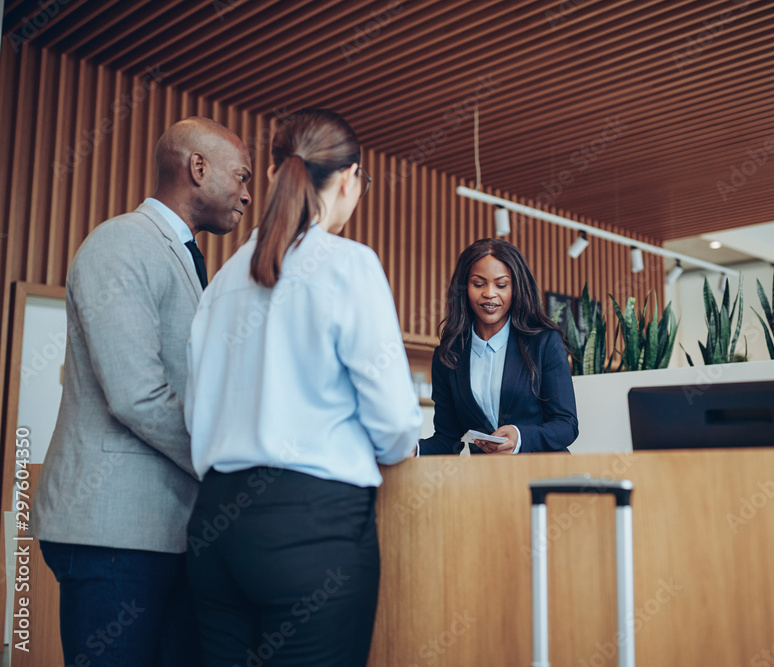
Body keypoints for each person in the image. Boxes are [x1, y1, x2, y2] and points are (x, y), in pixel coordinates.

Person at [184, 108, 421, 666]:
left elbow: (196, 415)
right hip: (312, 530)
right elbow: (393, 423)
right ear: (348, 179)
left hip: (215, 530)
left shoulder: (222, 280)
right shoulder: (350, 265)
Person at [33, 117, 252, 665]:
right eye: (241, 176)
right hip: (113, 531)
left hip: (163, 532)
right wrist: (224, 464)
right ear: (197, 168)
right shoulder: (122, 242)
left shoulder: (185, 256)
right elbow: (136, 393)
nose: (248, 194)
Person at [419, 238, 578, 455]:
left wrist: (519, 436)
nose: (490, 293)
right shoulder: (448, 356)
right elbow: (448, 439)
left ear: (516, 288)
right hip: (488, 480)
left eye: (501, 285)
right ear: (464, 289)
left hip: (543, 474)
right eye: (478, 284)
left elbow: (566, 425)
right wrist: (413, 449)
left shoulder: (544, 343)